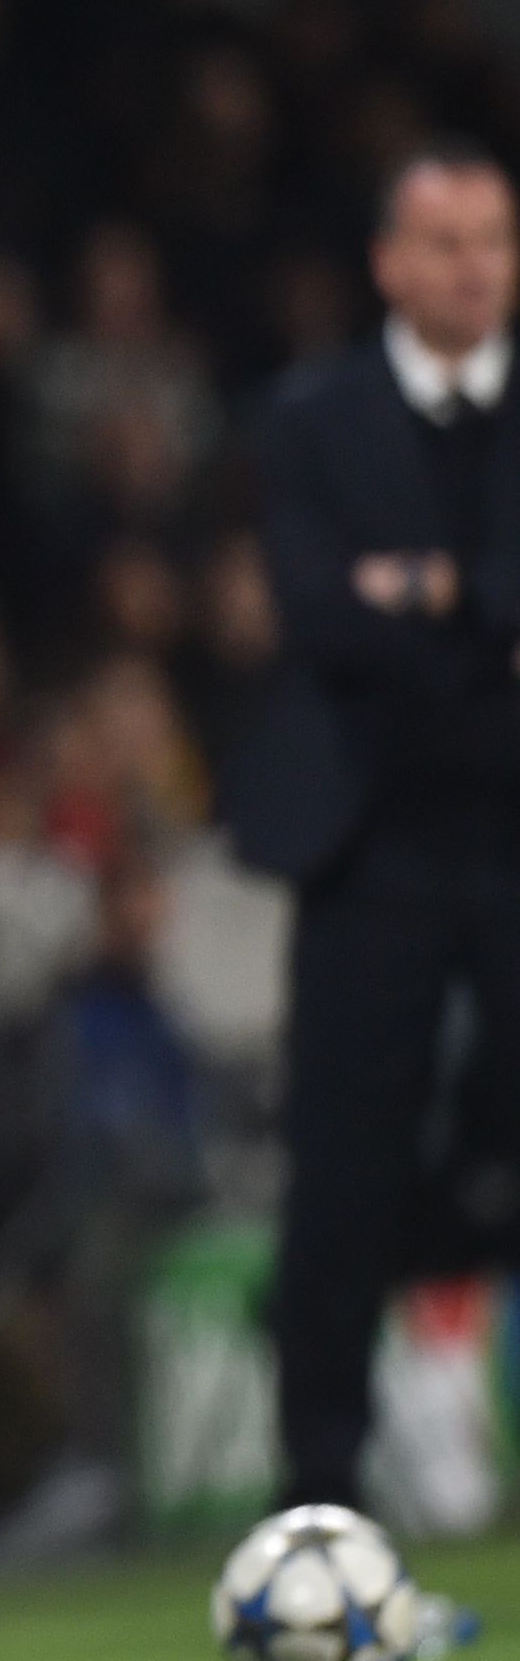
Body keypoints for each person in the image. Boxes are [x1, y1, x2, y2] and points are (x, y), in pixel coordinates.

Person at [229, 140, 520, 1512]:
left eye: (491, 240)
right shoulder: (309, 415)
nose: (472, 267)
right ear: (387, 264)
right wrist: (481, 607)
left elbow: (377, 605)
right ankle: (319, 1484)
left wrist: (427, 588)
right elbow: (314, 609)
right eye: (444, 241)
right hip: (367, 840)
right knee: (341, 1159)